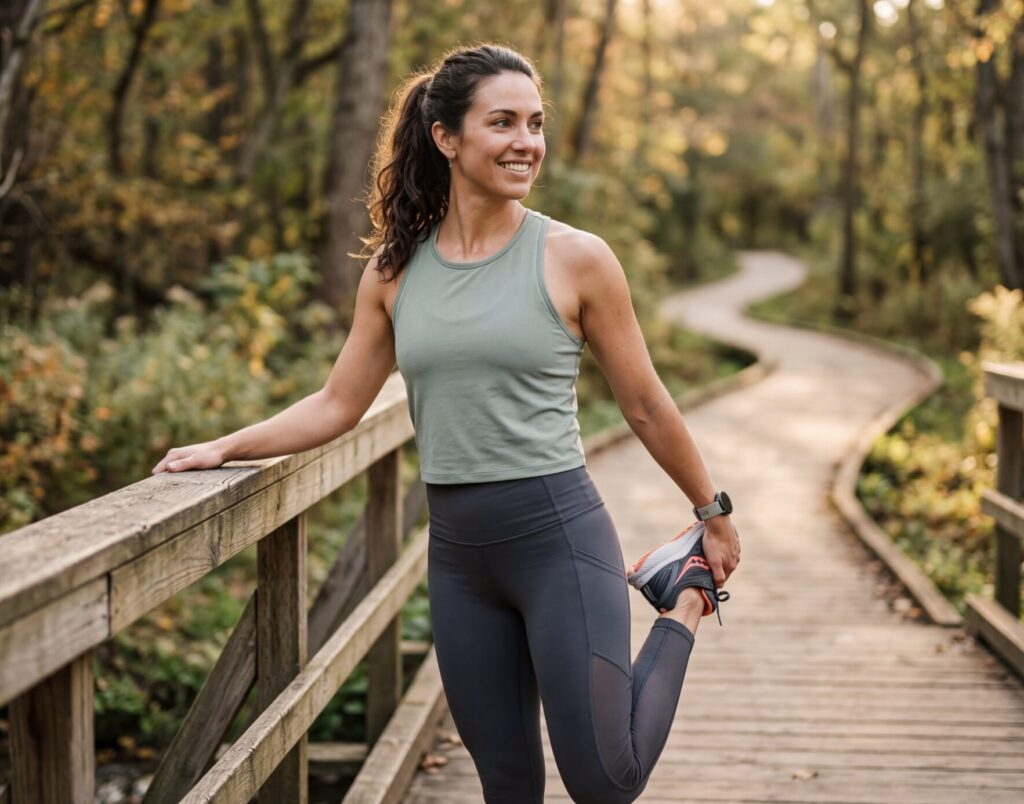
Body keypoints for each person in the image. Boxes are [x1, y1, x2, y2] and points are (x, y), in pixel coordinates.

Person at [152, 43, 741, 804]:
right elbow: (338, 403)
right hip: (460, 559)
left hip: (557, 538)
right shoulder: (394, 273)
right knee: (505, 785)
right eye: (503, 122)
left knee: (606, 780)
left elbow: (647, 404)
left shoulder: (576, 259)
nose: (526, 142)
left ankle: (685, 598)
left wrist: (711, 515)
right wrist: (226, 445)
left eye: (535, 123)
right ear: (446, 137)